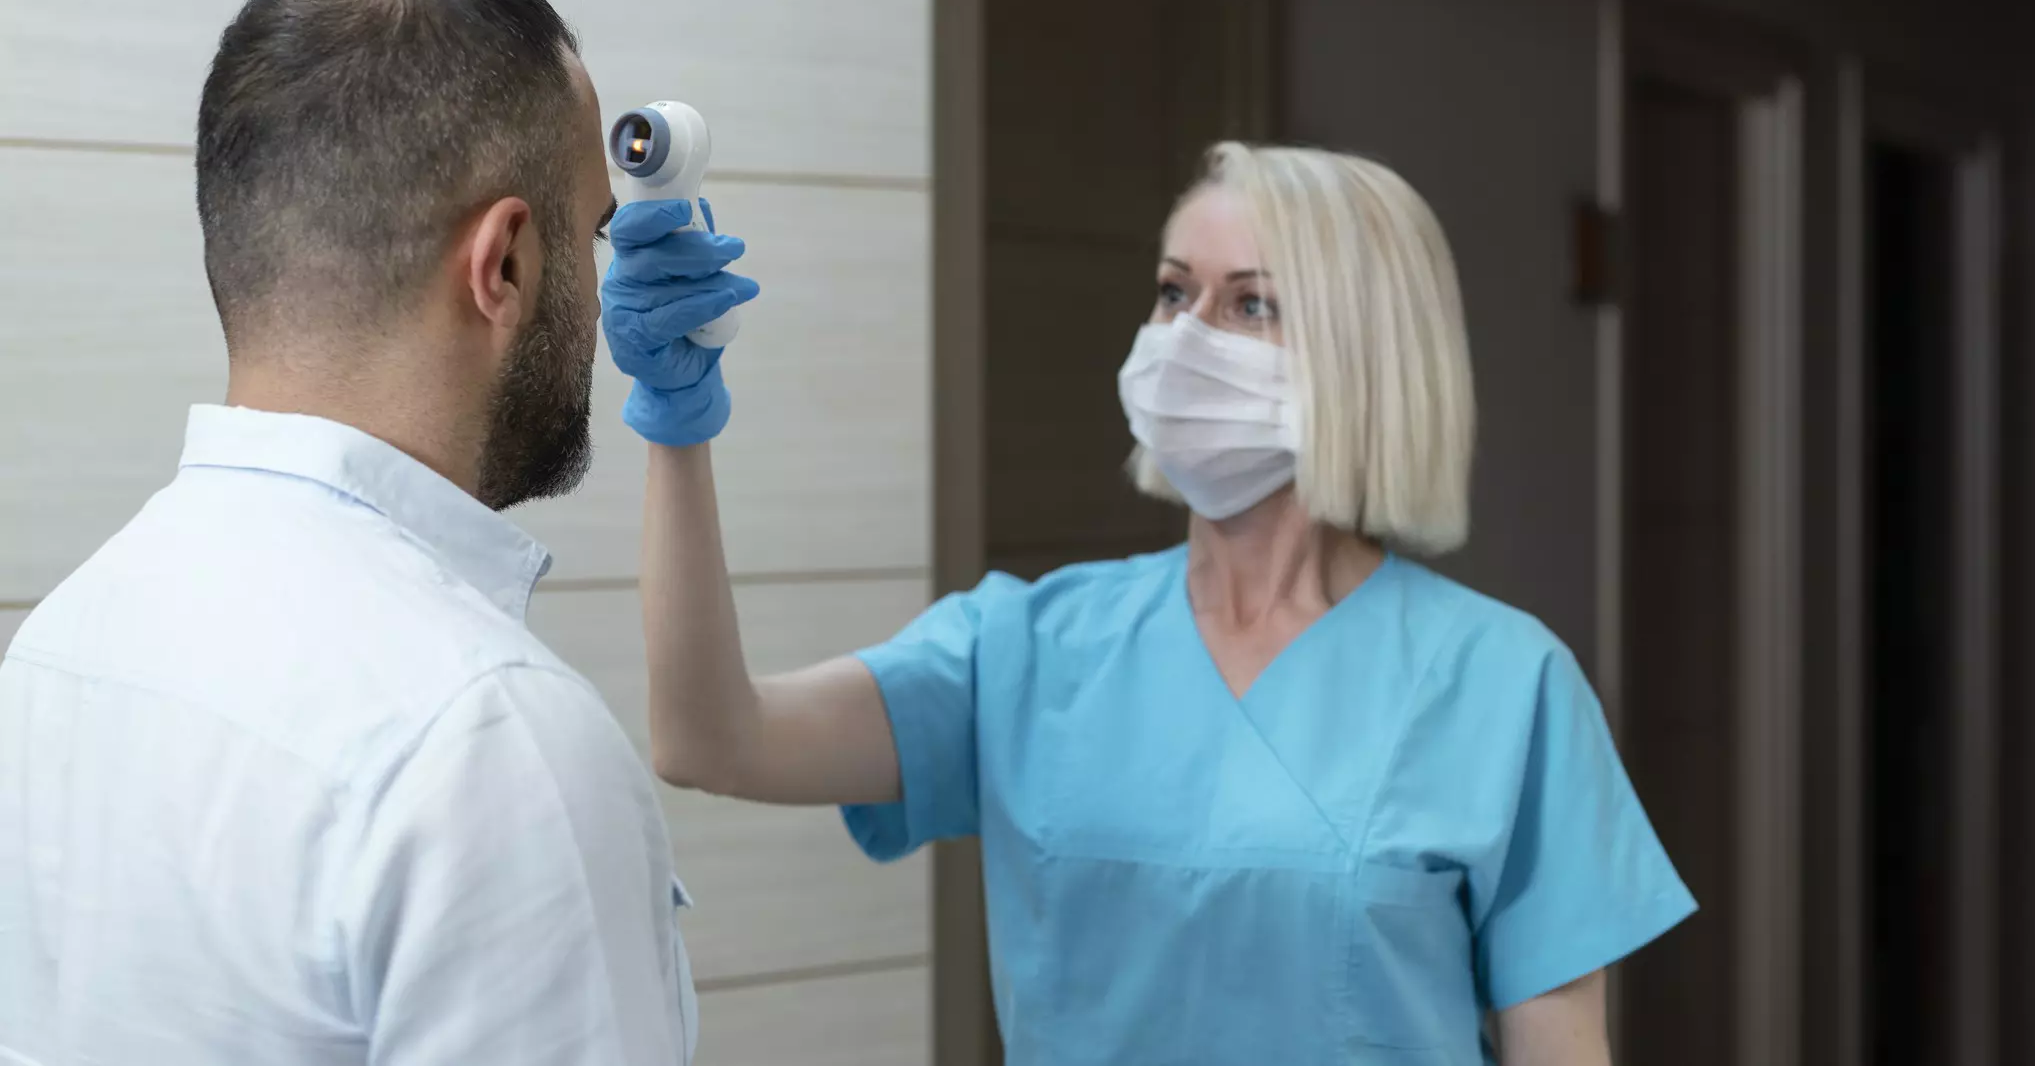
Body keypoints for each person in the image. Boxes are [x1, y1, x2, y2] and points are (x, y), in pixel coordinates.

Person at [600, 142, 1696, 1065]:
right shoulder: (1026, 649)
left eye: (1249, 303)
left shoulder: (1503, 687)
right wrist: (675, 434)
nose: (1184, 339)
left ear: (1365, 357)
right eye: (1174, 293)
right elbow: (711, 737)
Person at [0, 0, 753, 1065]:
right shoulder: (484, 740)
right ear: (502, 263)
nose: (606, 294)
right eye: (593, 235)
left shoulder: (61, 649)